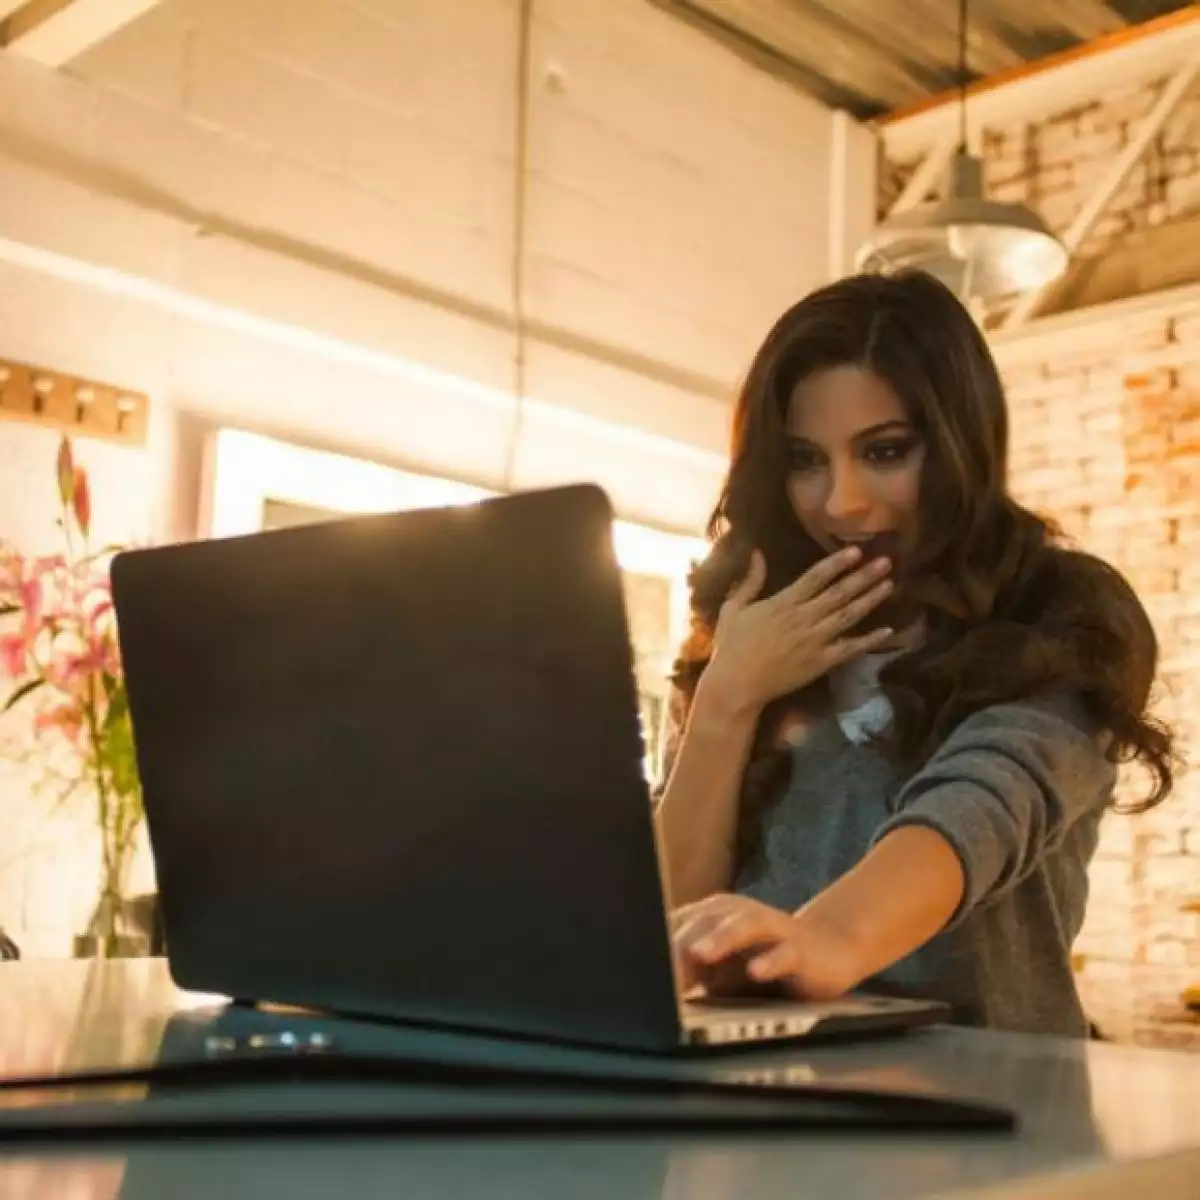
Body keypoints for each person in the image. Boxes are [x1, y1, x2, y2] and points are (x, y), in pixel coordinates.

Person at [655, 268, 1175, 1037]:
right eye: (805, 461)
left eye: (886, 451)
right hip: (766, 1104)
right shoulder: (747, 634)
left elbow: (984, 803)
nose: (843, 502)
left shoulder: (1060, 615)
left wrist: (825, 940)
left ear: (962, 444)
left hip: (999, 1112)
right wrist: (727, 698)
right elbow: (671, 918)